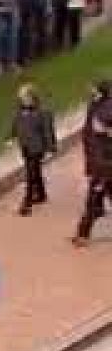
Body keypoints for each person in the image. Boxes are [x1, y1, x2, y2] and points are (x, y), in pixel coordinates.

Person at [8, 83, 57, 216]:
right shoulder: (19, 112)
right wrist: (11, 137)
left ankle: (26, 202)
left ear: (32, 97)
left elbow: (48, 132)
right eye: (21, 97)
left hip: (37, 148)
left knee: (30, 174)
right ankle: (41, 194)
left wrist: (51, 149)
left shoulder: (43, 112)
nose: (23, 99)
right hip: (25, 147)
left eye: (25, 96)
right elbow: (15, 125)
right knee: (35, 171)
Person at [72, 82, 111, 247]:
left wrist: (106, 131)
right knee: (94, 200)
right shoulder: (94, 106)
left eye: (93, 89)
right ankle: (83, 233)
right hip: (99, 163)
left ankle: (83, 234)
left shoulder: (108, 108)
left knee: (93, 199)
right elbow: (89, 136)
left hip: (106, 165)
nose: (90, 91)